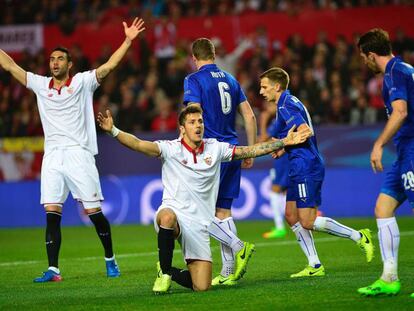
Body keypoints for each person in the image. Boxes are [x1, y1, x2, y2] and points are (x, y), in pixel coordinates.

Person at [97, 105, 310, 293]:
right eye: (192, 122)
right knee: (167, 217)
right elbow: (138, 144)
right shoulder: (171, 149)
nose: (198, 125)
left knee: (202, 286)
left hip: (200, 226)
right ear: (182, 129)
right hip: (174, 215)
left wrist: (284, 141)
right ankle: (163, 273)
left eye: (200, 121)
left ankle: (168, 268)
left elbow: (249, 151)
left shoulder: (215, 148)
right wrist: (114, 131)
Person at [0, 18, 145, 282]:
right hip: (53, 156)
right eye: (52, 58)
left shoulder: (82, 82)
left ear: (69, 64)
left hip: (79, 154)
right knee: (52, 214)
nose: (54, 62)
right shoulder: (40, 85)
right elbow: (10, 65)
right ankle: (53, 270)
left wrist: (127, 40)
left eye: (60, 59)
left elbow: (110, 66)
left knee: (94, 214)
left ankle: (110, 259)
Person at [259, 67, 375, 278]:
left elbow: (305, 131)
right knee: (291, 215)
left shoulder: (285, 105)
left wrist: (285, 143)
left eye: (264, 87)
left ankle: (359, 236)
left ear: (277, 87)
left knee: (307, 221)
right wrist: (284, 148)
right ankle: (314, 265)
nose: (261, 91)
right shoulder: (288, 102)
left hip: (306, 165)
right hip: (297, 164)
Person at [183, 38, 258, 286]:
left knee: (200, 214)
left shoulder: (193, 80)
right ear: (214, 54)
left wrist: (186, 143)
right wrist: (251, 149)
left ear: (194, 58)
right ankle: (228, 272)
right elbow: (248, 114)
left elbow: (193, 112)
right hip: (234, 149)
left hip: (210, 152)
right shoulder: (231, 79)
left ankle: (239, 248)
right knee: (223, 212)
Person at [356, 29, 414, 297]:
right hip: (405, 152)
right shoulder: (403, 69)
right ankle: (389, 277)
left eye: (363, 58)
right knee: (383, 208)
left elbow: (400, 111)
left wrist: (378, 144)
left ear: (370, 55)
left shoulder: (393, 72)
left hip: (412, 149)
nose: (364, 63)